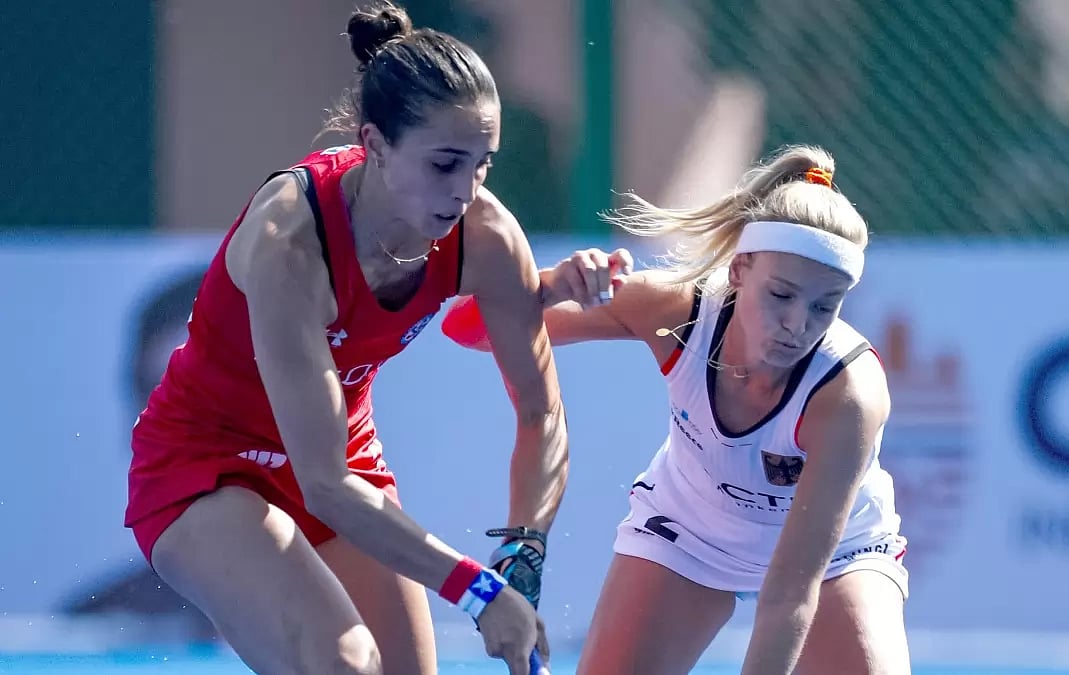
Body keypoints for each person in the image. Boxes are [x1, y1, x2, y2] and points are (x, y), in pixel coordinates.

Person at [124, 4, 564, 674]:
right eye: (445, 163)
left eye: (482, 165)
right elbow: (324, 485)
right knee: (343, 663)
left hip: (339, 460)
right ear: (376, 144)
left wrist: (524, 548)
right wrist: (479, 589)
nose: (466, 192)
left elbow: (540, 413)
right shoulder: (290, 243)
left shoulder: (489, 239)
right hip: (204, 467)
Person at [443, 145, 911, 674]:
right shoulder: (673, 312)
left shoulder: (848, 392)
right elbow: (469, 330)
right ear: (739, 270)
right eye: (781, 295)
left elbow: (789, 593)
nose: (797, 324)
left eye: (824, 306)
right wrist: (550, 286)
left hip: (838, 559)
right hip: (687, 534)